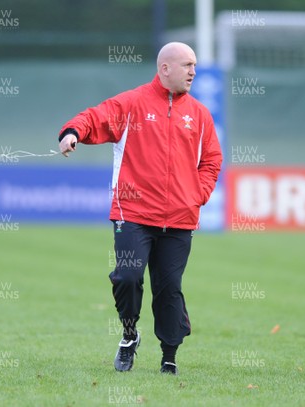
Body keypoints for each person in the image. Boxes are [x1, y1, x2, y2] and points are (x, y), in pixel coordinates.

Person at [58, 42, 222, 375]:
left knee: (168, 288)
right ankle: (129, 335)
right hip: (132, 214)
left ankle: (169, 356)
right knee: (128, 277)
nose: (193, 71)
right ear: (165, 68)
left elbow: (212, 160)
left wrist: (197, 195)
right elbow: (95, 117)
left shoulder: (200, 114)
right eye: (187, 65)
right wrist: (73, 132)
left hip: (180, 219)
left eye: (195, 65)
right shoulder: (132, 103)